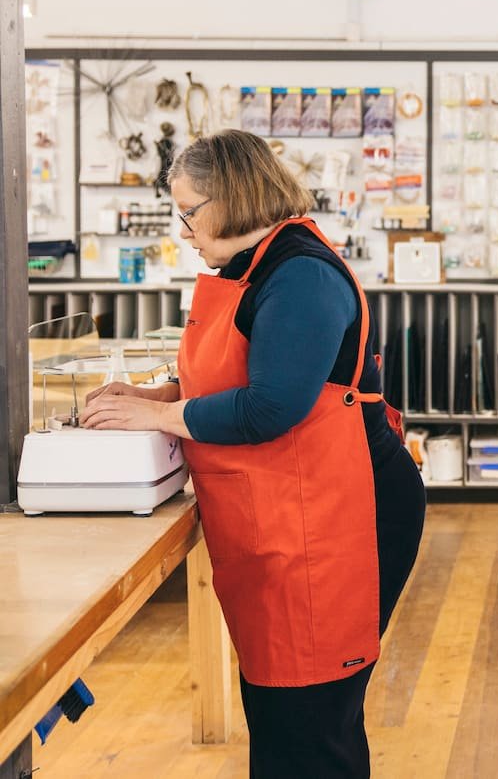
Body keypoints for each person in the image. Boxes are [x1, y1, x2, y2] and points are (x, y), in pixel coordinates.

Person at [81, 129, 426, 778]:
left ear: (231, 198)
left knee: (312, 722)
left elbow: (271, 406)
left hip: (343, 517)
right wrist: (157, 393)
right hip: (290, 514)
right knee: (281, 713)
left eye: (188, 212)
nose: (183, 229)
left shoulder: (300, 276)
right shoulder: (251, 266)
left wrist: (159, 416)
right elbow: (241, 371)